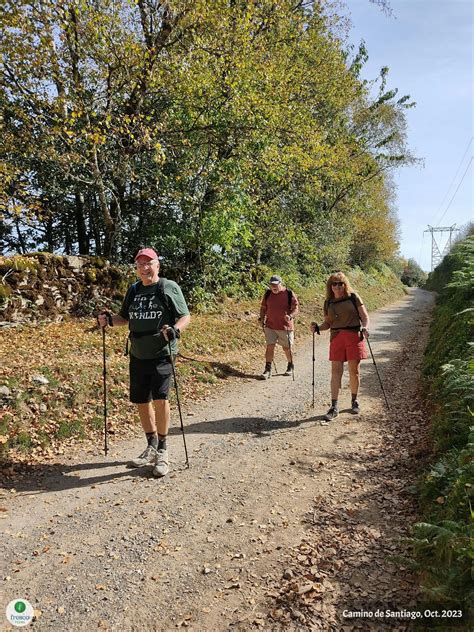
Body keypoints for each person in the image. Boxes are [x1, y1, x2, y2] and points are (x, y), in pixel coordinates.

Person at [98, 248, 191, 477]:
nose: (144, 267)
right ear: (137, 268)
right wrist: (108, 321)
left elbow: (185, 316)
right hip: (138, 354)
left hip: (162, 352)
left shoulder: (168, 287)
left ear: (157, 265)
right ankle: (150, 446)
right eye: (140, 264)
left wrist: (175, 330)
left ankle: (163, 450)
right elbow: (124, 318)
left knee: (160, 399)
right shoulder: (134, 290)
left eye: (148, 263)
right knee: (142, 401)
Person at [310, 271, 369, 421]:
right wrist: (317, 328)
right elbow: (328, 323)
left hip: (354, 336)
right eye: (334, 284)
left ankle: (354, 400)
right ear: (330, 286)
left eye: (340, 283)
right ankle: (334, 406)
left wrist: (365, 327)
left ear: (345, 284)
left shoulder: (353, 297)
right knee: (336, 372)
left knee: (354, 371)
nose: (337, 286)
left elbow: (364, 317)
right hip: (336, 338)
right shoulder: (328, 303)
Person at [258, 275, 299, 379]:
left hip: (285, 327)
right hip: (270, 325)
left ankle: (290, 365)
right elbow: (263, 308)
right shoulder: (268, 294)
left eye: (276, 284)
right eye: (272, 284)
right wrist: (261, 318)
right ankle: (267, 369)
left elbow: (295, 308)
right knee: (270, 346)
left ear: (281, 283)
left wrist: (290, 316)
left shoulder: (289, 294)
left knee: (286, 348)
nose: (273, 287)